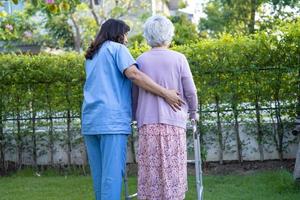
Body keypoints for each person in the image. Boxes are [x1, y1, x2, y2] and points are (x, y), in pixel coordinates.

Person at [81, 19, 184, 200]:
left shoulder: (91, 56)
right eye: (126, 34)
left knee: (99, 178)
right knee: (112, 178)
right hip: (111, 122)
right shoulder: (117, 49)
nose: (127, 39)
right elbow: (134, 75)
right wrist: (166, 93)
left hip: (90, 121)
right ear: (118, 34)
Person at [132, 15, 198, 200]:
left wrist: (134, 115)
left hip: (148, 124)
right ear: (169, 34)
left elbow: (135, 94)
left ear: (147, 36)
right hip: (174, 123)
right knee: (173, 171)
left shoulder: (141, 60)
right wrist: (194, 112)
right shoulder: (179, 58)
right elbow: (190, 91)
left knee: (151, 173)